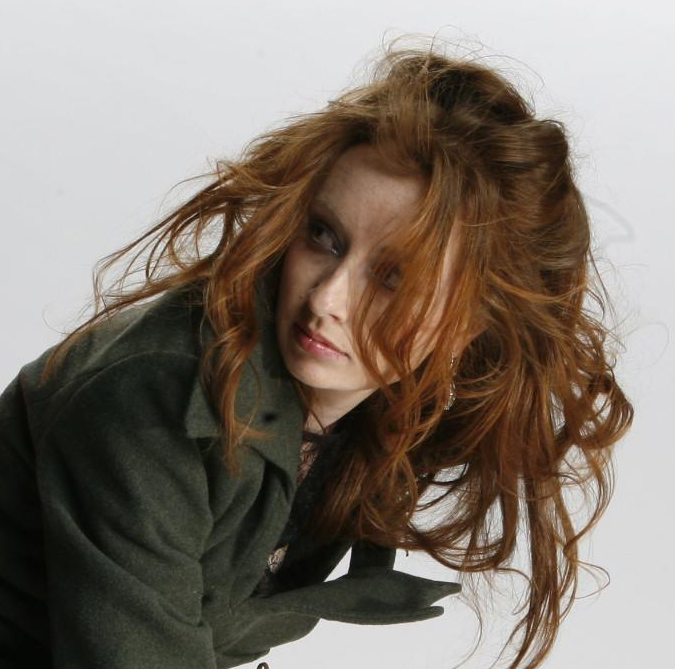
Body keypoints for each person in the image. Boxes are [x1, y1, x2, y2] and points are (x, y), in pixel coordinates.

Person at [0, 38, 634, 669]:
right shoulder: (157, 398)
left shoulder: (377, 409)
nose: (327, 298)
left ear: (472, 323)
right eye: (325, 236)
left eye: (393, 278)